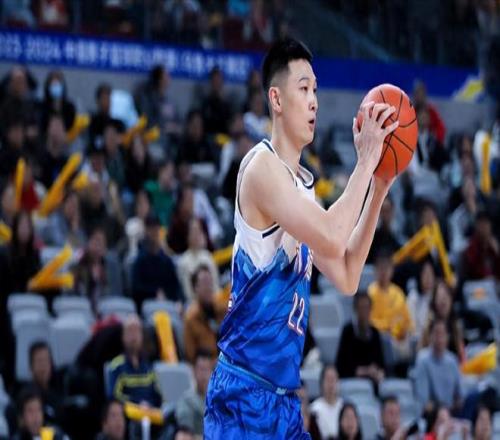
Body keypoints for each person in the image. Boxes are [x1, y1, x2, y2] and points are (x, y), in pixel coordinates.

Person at [204, 37, 399, 438]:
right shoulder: (261, 168)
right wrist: (365, 161)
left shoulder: (302, 189)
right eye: (304, 89)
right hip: (243, 395)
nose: (314, 101)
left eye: (316, 90)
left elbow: (347, 274)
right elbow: (331, 235)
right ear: (276, 99)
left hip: (283, 402)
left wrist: (378, 187)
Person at [107, 314, 162, 408]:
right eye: (130, 331)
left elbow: (157, 395)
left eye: (137, 331)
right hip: (128, 414)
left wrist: (149, 405)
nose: (134, 336)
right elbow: (114, 396)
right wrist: (137, 404)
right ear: (123, 337)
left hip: (149, 412)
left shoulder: (148, 365)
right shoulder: (116, 365)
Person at [131, 213, 184, 310]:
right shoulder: (140, 260)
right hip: (147, 306)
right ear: (146, 231)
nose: (154, 232)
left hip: (169, 304)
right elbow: (136, 289)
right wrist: (154, 293)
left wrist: (177, 301)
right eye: (151, 229)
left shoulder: (167, 261)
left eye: (156, 228)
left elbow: (175, 287)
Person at [415, 319, 464, 415]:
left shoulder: (452, 360)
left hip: (451, 412)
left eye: (443, 334)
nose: (440, 339)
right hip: (431, 415)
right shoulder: (422, 360)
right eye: (437, 334)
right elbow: (424, 403)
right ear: (430, 336)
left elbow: (459, 397)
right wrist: (442, 411)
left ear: (448, 337)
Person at [336, 292, 385, 384]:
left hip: (372, 381)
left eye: (367, 307)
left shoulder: (375, 332)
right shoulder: (347, 331)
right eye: (361, 307)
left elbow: (381, 364)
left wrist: (378, 372)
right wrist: (365, 371)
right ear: (355, 309)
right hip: (351, 380)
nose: (364, 311)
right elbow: (340, 366)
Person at [368, 249, 414, 343]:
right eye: (381, 268)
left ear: (392, 270)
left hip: (398, 342)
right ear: (375, 270)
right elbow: (369, 323)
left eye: (386, 267)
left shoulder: (398, 293)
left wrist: (405, 329)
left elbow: (408, 323)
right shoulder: (370, 293)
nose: (384, 272)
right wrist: (389, 324)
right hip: (378, 340)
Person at [184, 265, 226, 363]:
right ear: (195, 288)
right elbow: (191, 357)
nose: (208, 287)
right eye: (204, 283)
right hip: (206, 367)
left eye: (210, 282)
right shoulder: (191, 319)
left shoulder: (222, 309)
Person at [177, 218, 219, 302]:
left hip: (213, 301)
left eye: (198, 231)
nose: (196, 235)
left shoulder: (208, 257)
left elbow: (216, 286)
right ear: (187, 235)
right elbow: (187, 293)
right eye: (193, 232)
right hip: (194, 304)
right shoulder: (183, 262)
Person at [175, 350, 215, 437]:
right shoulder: (187, 400)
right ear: (194, 371)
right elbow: (184, 432)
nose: (204, 375)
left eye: (207, 370)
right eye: (201, 369)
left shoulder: (221, 400)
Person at [28, 341, 63, 427]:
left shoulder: (58, 391)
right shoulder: (28, 395)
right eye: (39, 361)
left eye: (46, 360)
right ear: (31, 366)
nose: (43, 366)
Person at [309, 365, 343, 439]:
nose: (331, 384)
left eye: (333, 379)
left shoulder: (343, 407)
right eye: (328, 380)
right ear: (321, 383)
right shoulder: (314, 409)